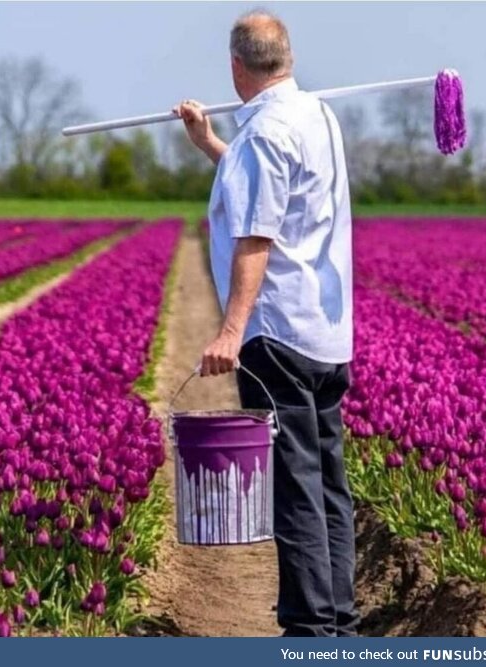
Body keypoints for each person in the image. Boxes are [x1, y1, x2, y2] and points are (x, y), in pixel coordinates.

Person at [173, 10, 357, 638]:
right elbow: (271, 189)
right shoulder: (314, 116)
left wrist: (230, 332)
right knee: (328, 479)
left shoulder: (264, 134)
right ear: (288, 59)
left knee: (295, 484)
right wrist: (209, 146)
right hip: (326, 336)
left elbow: (256, 235)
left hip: (276, 334)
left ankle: (310, 631)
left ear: (235, 66)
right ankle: (339, 621)